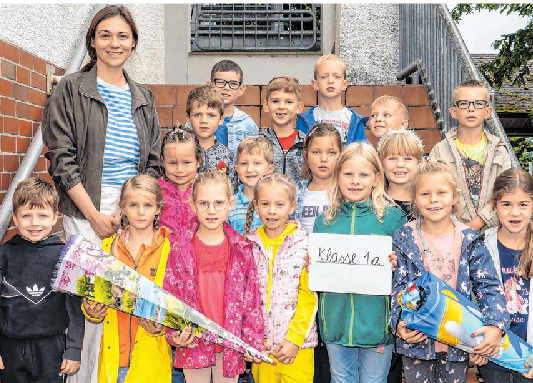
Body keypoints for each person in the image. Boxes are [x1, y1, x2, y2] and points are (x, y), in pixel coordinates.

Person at [41, 6, 161, 381]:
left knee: (127, 301)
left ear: (134, 43)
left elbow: (153, 161)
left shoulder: (143, 97)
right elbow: (60, 156)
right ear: (92, 41)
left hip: (133, 211)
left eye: (122, 35)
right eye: (105, 34)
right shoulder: (70, 88)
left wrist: (133, 212)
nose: (114, 43)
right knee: (90, 303)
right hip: (85, 209)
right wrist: (93, 215)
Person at [390, 159, 509, 383]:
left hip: (458, 344)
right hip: (417, 342)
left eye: (441, 192)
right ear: (414, 198)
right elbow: (397, 287)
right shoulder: (404, 238)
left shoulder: (469, 239)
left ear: (455, 197)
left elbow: (489, 286)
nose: (434, 199)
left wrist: (494, 326)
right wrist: (399, 325)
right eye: (425, 194)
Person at [313, 142, 406, 383]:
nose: (355, 181)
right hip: (335, 323)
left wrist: (398, 265)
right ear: (338, 176)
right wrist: (310, 263)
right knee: (340, 379)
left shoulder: (393, 219)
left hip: (377, 325)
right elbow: (317, 273)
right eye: (348, 174)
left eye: (363, 175)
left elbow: (407, 273)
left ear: (376, 178)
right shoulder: (324, 222)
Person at [164, 169, 264, 383]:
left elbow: (252, 300)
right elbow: (169, 295)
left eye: (218, 203)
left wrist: (252, 341)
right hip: (193, 340)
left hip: (230, 342)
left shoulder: (242, 249)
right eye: (203, 203)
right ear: (193, 205)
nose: (211, 210)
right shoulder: (178, 247)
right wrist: (174, 333)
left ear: (230, 204)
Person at [81, 175, 172, 383]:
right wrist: (91, 311)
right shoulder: (106, 249)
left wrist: (162, 326)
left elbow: (178, 306)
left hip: (151, 362)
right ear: (122, 207)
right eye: (133, 204)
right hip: (115, 361)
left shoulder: (170, 249)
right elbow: (92, 299)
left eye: (147, 205)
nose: (140, 212)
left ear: (158, 208)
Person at [0, 178, 84, 383]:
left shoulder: (66, 256)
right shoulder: (4, 255)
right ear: (15, 218)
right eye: (26, 215)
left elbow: (75, 306)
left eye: (42, 215)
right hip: (11, 346)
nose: (35, 223)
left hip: (52, 347)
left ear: (55, 217)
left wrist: (73, 349)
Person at [243, 173, 318, 383]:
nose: (272, 211)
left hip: (297, 347)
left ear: (292, 206)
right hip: (262, 348)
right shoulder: (249, 245)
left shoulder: (305, 245)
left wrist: (294, 339)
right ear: (256, 206)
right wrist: (253, 339)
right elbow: (245, 299)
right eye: (265, 204)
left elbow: (309, 297)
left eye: (279, 204)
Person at [429, 79, 511, 232]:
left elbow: (504, 193)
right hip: (450, 231)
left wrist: (478, 223)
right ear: (454, 111)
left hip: (491, 233)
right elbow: (434, 192)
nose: (471, 109)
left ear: (488, 112)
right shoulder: (439, 151)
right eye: (464, 104)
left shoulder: (500, 151)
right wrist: (455, 227)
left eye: (478, 103)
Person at [293, 122, 342, 383]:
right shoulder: (296, 192)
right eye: (316, 152)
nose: (323, 159)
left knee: (330, 343)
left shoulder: (347, 192)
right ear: (306, 154)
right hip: (303, 277)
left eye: (331, 152)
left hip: (337, 279)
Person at [479, 167, 533, 382]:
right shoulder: (480, 245)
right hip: (494, 355)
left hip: (529, 356)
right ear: (494, 205)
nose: (515, 212)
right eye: (506, 204)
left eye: (523, 204)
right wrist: (475, 346)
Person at [295, 54, 369, 146]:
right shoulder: (304, 119)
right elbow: (298, 153)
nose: (330, 81)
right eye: (323, 77)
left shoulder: (354, 120)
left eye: (337, 77)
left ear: (345, 84)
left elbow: (363, 153)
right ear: (315, 84)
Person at [187, 85, 238, 192]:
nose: (204, 120)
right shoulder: (183, 152)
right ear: (188, 118)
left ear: (221, 119)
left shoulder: (227, 155)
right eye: (197, 115)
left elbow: (232, 191)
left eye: (211, 115)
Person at [259, 76, 306, 182]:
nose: (281, 106)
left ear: (299, 107)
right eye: (275, 101)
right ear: (266, 105)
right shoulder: (258, 143)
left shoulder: (306, 143)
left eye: (288, 102)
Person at [208, 59, 259, 154]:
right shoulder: (197, 119)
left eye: (233, 84)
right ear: (210, 86)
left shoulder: (247, 124)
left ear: (241, 89)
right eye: (220, 82)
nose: (226, 87)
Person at [159, 125, 202, 233]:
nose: (179, 169)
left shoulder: (205, 190)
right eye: (172, 163)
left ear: (198, 161)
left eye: (186, 162)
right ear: (163, 161)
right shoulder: (156, 191)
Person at [228, 136, 275, 235]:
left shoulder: (276, 204)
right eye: (244, 163)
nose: (249, 169)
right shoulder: (230, 205)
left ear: (270, 169)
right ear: (237, 168)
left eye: (256, 163)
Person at [377, 129, 425, 223]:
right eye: (393, 158)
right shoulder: (374, 202)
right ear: (381, 164)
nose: (400, 165)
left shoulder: (425, 202)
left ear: (419, 163)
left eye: (407, 159)